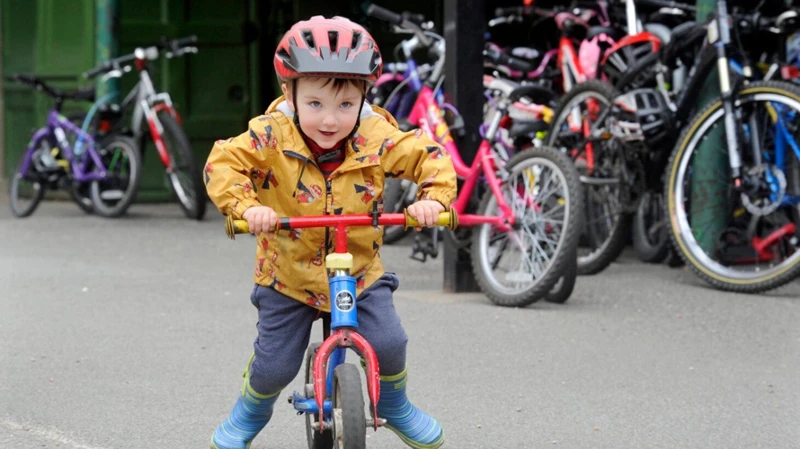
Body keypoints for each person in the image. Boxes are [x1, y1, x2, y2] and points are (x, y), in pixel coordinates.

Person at [204, 15, 457, 449]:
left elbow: (427, 155)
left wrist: (432, 198)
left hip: (359, 269)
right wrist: (248, 207)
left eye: (345, 105)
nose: (330, 120)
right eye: (315, 104)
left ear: (364, 97)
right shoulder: (269, 135)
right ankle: (251, 411)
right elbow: (223, 164)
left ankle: (394, 403)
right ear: (290, 94)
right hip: (289, 275)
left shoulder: (377, 133)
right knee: (274, 366)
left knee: (390, 343)